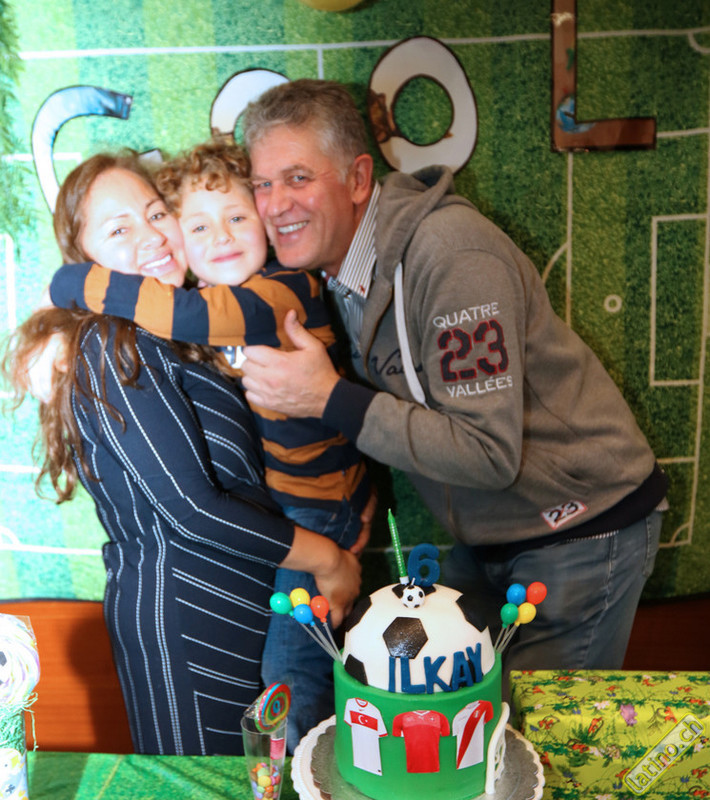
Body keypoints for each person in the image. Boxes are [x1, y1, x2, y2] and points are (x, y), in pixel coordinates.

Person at [236, 79, 668, 696]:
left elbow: (489, 453)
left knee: (528, 734)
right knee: (450, 718)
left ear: (358, 179)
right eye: (262, 184)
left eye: (298, 178)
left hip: (581, 525)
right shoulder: (329, 272)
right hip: (490, 535)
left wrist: (328, 398)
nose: (275, 204)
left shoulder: (453, 256)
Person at [2, 151, 361, 755]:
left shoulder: (178, 333)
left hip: (244, 611)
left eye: (155, 213)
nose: (151, 237)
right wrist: (328, 558)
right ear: (86, 260)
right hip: (190, 625)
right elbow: (192, 509)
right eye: (119, 230)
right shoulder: (111, 343)